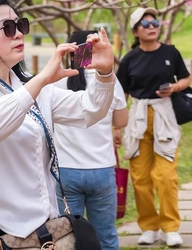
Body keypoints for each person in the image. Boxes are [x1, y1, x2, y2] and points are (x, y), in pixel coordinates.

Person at [0, 0, 117, 250]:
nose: (19, 34)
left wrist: (104, 73)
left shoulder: (33, 89)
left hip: (45, 233)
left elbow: (90, 110)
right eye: (8, 28)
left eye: (21, 25)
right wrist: (41, 79)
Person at [117, 7, 192, 248]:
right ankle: (148, 226)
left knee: (166, 176)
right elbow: (122, 95)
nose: (152, 27)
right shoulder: (130, 58)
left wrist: (176, 88)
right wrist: (116, 128)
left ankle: (170, 228)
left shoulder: (171, 52)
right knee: (140, 178)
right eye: (145, 24)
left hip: (164, 117)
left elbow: (186, 78)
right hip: (137, 119)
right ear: (136, 30)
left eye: (155, 22)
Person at [54, 30, 129, 250]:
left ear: (72, 51)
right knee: (105, 236)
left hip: (66, 171)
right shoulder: (109, 81)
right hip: (101, 170)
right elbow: (122, 120)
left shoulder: (56, 83)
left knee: (67, 238)